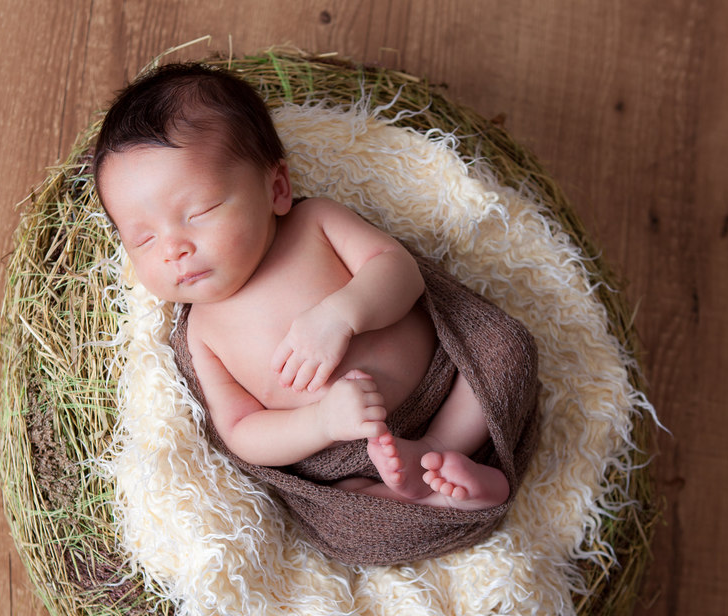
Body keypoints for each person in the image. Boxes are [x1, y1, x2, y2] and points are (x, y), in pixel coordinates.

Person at [92, 62, 519, 511]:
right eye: (142, 239)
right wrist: (321, 422)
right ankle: (443, 500)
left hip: (443, 379)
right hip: (348, 451)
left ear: (276, 188)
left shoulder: (314, 223)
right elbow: (241, 432)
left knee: (502, 348)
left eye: (199, 212)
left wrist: (341, 314)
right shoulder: (201, 333)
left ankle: (442, 446)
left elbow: (399, 271)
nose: (172, 249)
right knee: (345, 516)